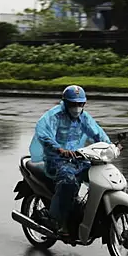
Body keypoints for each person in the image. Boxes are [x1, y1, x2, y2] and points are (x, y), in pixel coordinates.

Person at [29, 85, 112, 236]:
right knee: (69, 181)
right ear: (65, 103)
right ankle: (53, 219)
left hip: (78, 158)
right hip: (56, 160)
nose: (77, 108)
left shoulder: (84, 117)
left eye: (80, 104)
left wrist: (111, 146)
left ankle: (86, 212)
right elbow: (43, 133)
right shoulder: (54, 116)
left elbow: (98, 133)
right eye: (73, 104)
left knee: (99, 175)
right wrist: (58, 149)